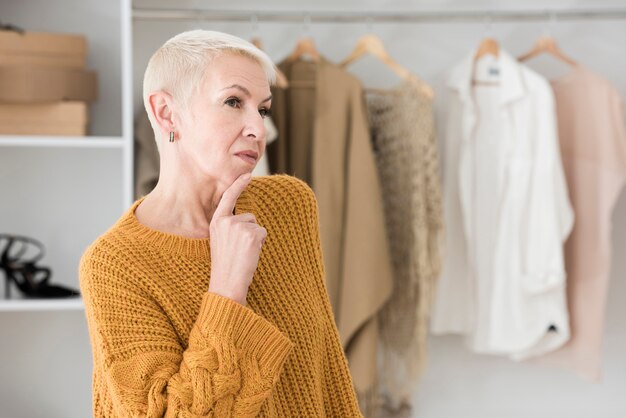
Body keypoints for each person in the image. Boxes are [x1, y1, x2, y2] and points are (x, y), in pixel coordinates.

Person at [79, 30, 362, 417]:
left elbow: (326, 373)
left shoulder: (289, 205)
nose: (259, 129)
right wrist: (228, 288)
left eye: (262, 109)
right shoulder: (115, 265)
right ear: (166, 112)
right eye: (233, 101)